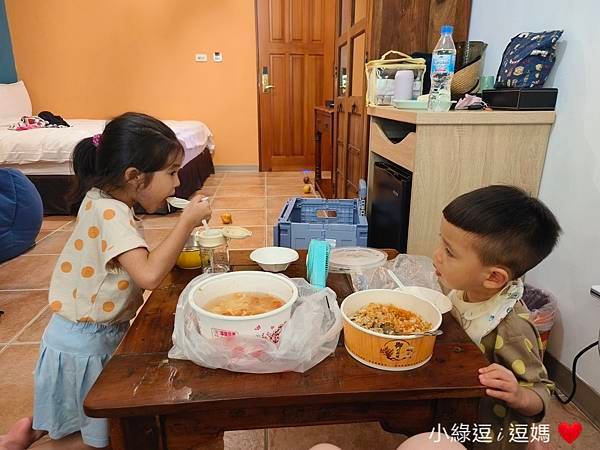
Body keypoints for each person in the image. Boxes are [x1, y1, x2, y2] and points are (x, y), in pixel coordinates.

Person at [0, 112, 212, 450]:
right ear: (134, 176)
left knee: (70, 412)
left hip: (75, 336)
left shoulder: (100, 199)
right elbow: (149, 275)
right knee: (100, 440)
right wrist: (186, 222)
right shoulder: (111, 213)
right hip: (87, 345)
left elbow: (137, 262)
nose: (176, 183)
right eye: (171, 173)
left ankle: (25, 434)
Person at [432, 185, 561, 449]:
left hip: (489, 434)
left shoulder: (511, 328)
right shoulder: (468, 290)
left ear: (493, 277)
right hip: (458, 409)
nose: (437, 255)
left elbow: (542, 390)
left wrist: (518, 395)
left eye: (449, 252)